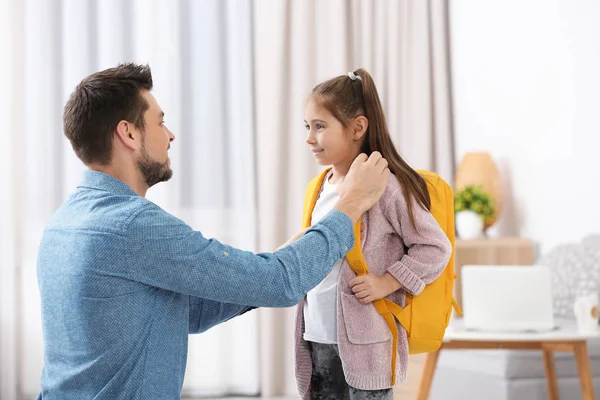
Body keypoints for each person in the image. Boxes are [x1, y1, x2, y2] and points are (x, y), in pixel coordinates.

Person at [35, 63, 390, 400]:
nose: (170, 135)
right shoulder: (133, 226)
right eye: (160, 123)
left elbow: (188, 313)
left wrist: (286, 254)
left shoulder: (64, 223)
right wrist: (350, 205)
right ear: (128, 133)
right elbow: (279, 284)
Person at [295, 69, 452, 399]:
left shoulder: (386, 187)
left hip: (368, 341)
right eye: (307, 126)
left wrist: (388, 282)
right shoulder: (318, 187)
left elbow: (435, 247)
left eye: (320, 126)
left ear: (357, 128)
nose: (309, 137)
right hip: (317, 335)